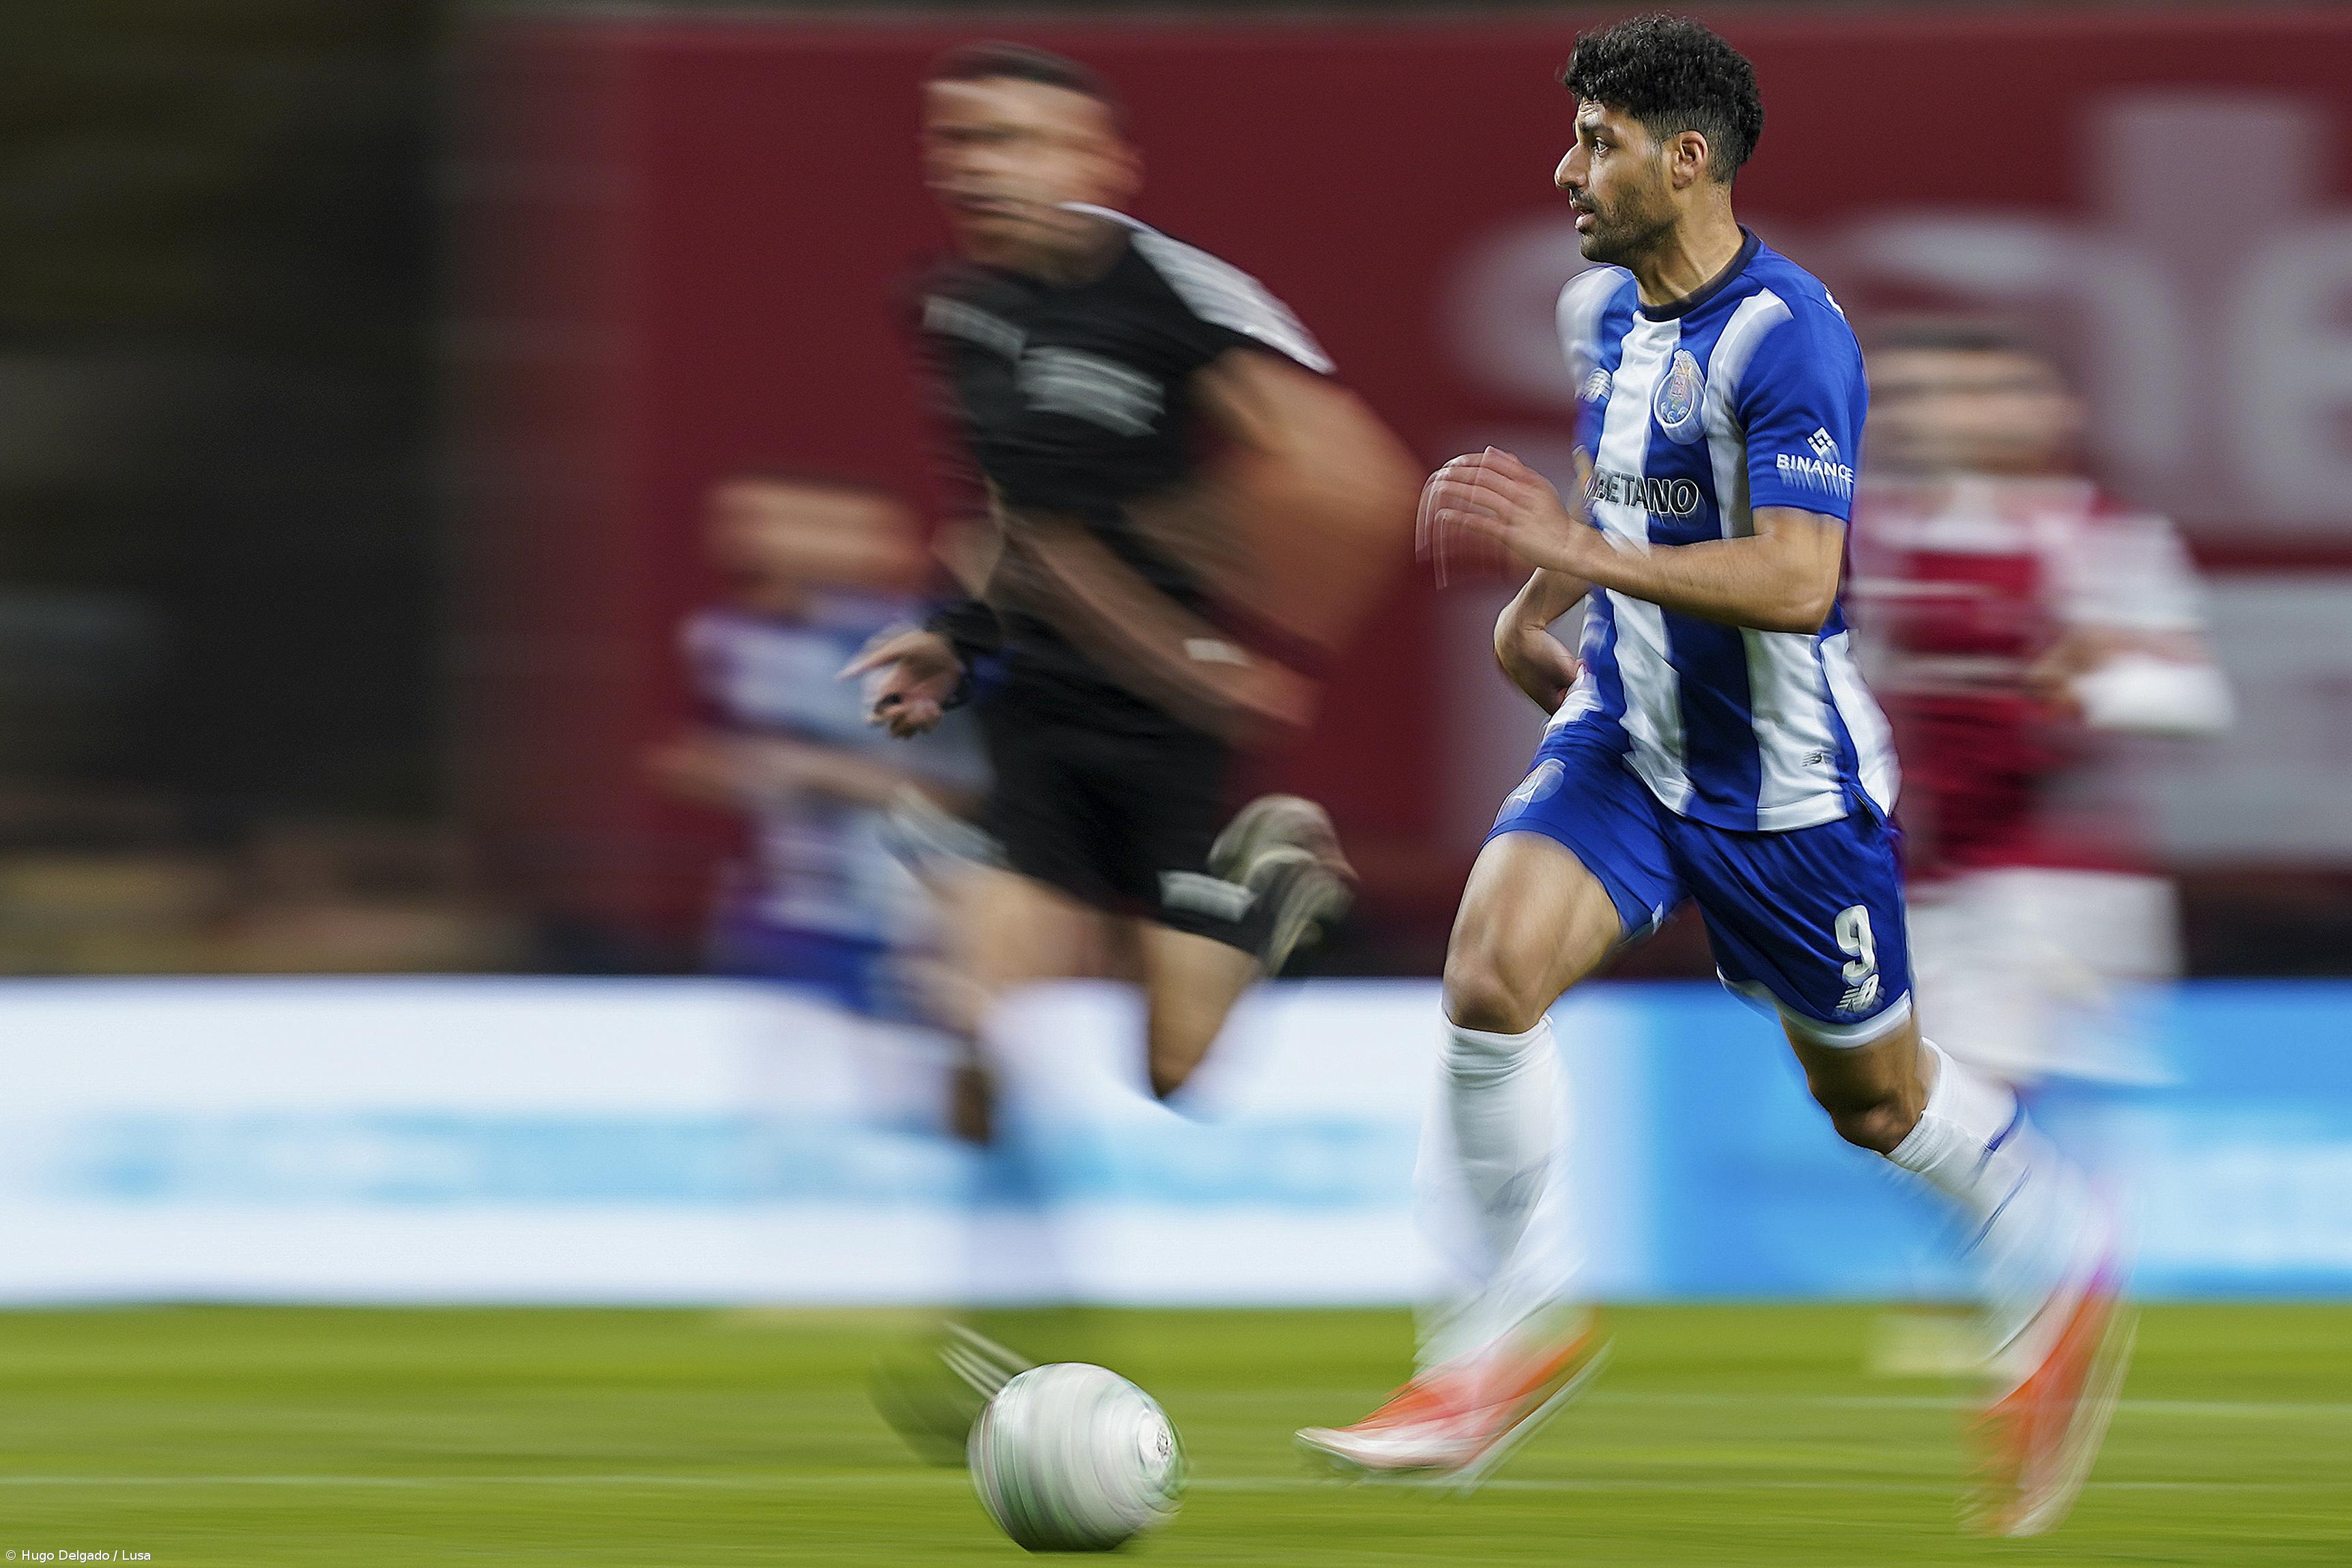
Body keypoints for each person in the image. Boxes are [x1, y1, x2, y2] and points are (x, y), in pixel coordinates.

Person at [1294, 16, 2125, 1537]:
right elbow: (1620, 490)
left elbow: (1804, 579)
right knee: (1487, 971)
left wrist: (1574, 554)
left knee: (1874, 1104)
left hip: (1786, 788)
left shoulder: (1790, 336)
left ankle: (2049, 1238)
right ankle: (1492, 1345)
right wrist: (1541, 609)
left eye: (1595, 140)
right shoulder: (1590, 313)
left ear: (1688, 158)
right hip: (1625, 733)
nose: (1565, 169)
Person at [849, 41, 1417, 1455]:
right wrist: (949, 638)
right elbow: (997, 522)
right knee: (966, 1022)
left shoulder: (1171, 293)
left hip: (1167, 736)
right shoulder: (960, 313)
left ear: (1103, 166)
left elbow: (1356, 476)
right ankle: (1008, 1333)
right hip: (1034, 722)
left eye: (1022, 139)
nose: (986, 162)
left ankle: (1265, 882)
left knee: (1174, 1069)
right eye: (964, 138)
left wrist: (1262, 645)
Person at [1853, 320, 2230, 1092]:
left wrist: (2090, 685)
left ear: (2054, 411)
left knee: (1973, 1116)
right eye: (1915, 396)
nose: (1941, 416)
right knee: (1933, 1129)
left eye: (1978, 395)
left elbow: (2194, 699)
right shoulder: (1868, 536)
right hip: (1920, 886)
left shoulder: (2098, 539)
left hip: (2052, 892)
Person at [646, 474, 982, 1018]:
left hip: (908, 923)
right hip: (783, 924)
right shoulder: (730, 641)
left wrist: (827, 775)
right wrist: (741, 770)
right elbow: (687, 760)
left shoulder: (934, 647)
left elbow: (975, 794)